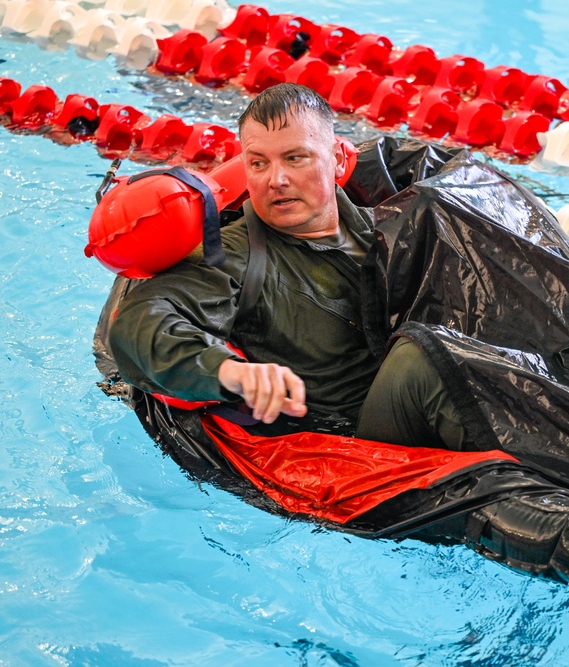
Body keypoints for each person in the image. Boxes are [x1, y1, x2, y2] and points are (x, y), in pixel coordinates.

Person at [108, 83, 466, 449]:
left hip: (437, 407)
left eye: (295, 158)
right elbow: (141, 322)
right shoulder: (234, 256)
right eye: (259, 163)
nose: (275, 180)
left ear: (338, 160)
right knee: (417, 360)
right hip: (363, 438)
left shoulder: (385, 227)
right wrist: (229, 371)